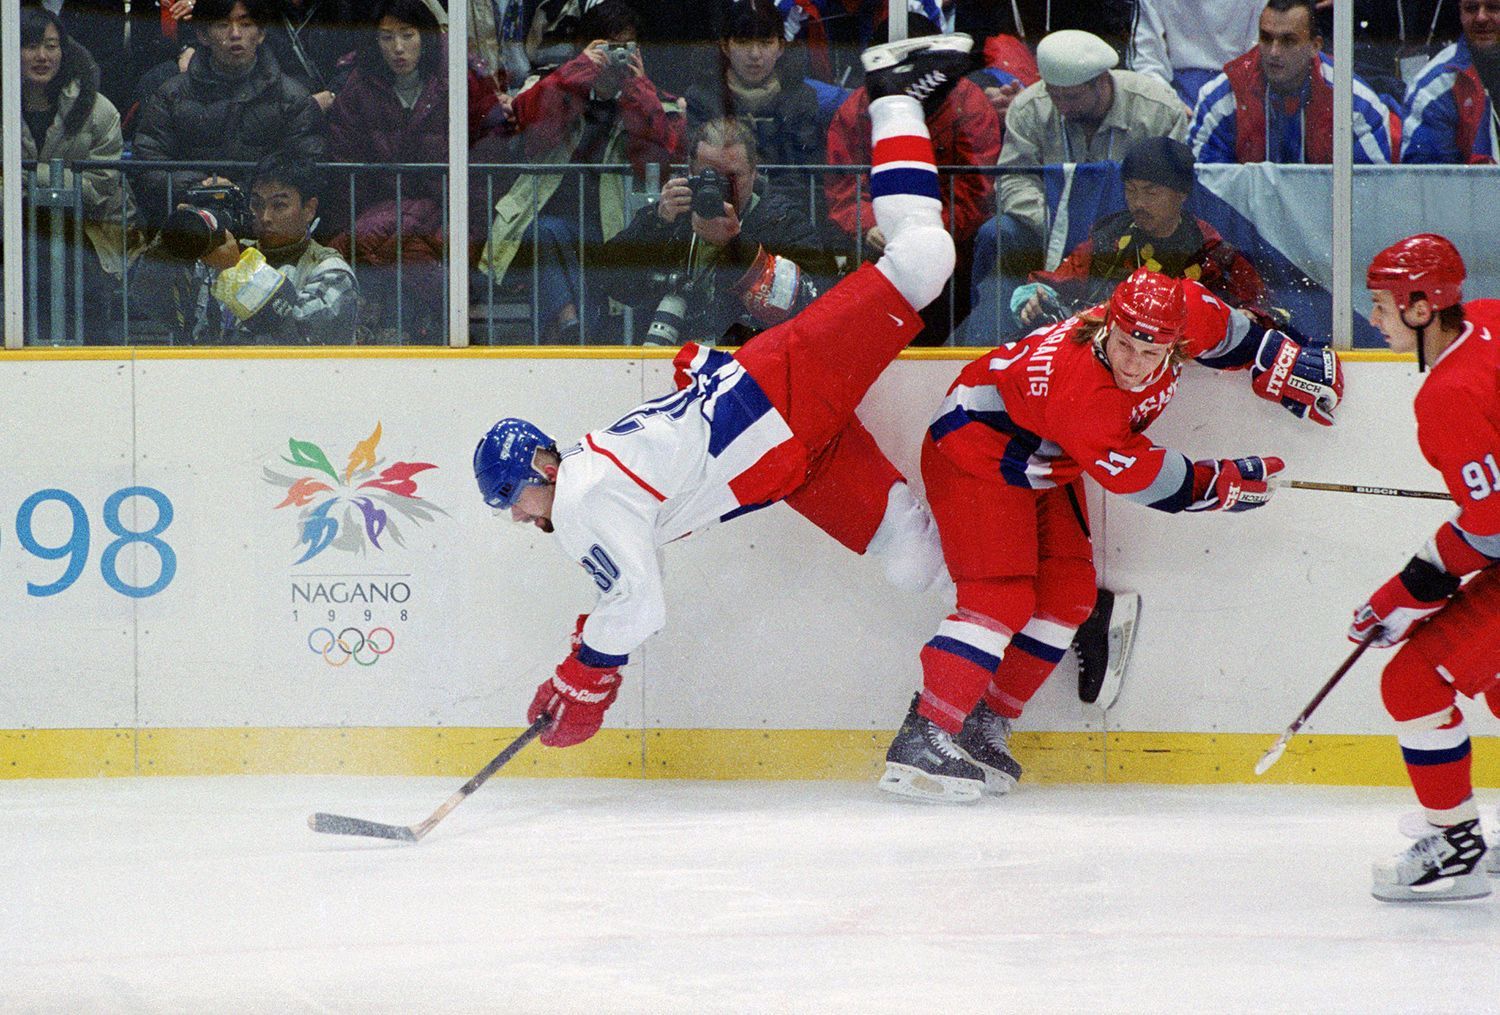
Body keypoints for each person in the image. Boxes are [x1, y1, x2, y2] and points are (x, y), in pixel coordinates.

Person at [472, 36, 973, 750]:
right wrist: (591, 652)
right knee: (913, 562)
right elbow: (632, 571)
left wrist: (583, 674)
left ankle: (892, 93)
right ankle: (1004, 594)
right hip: (787, 460)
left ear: (541, 471)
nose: (518, 519)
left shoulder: (580, 499)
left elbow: (641, 604)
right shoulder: (588, 474)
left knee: (923, 259)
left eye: (509, 501)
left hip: (775, 399)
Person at [879, 267, 1345, 803]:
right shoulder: (1083, 389)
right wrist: (1219, 483)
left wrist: (1273, 358)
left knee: (1069, 596)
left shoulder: (1181, 313)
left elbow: (1229, 331)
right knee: (999, 598)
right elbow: (1143, 478)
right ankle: (925, 731)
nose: (1133, 364)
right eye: (1124, 345)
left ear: (1174, 344)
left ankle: (985, 724)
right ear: (1108, 326)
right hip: (974, 450)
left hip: (1045, 458)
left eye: (1150, 355)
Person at [1356, 233, 1500, 902]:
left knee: (1412, 681)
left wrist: (1405, 592)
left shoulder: (1447, 393)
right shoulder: (1492, 318)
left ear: (1420, 309)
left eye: (1382, 306)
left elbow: (1492, 527)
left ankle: (1455, 847)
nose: (1373, 320)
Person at [476, 0, 684, 343]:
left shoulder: (655, 100)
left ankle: (569, 329)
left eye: (625, 46)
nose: (615, 56)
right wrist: (578, 73)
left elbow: (658, 161)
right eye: (605, 45)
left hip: (613, 226)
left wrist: (638, 88)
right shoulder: (555, 83)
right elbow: (531, 133)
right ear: (584, 47)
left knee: (564, 247)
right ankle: (576, 328)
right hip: (541, 220)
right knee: (549, 232)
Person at [971, 28, 1188, 346]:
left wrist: (1115, 229)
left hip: (1134, 232)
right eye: (1053, 94)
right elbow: (1013, 178)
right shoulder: (1029, 108)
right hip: (1046, 228)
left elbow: (1173, 188)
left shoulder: (1158, 110)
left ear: (1102, 80)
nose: (1061, 106)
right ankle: (985, 344)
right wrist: (1054, 221)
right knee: (998, 232)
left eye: (1071, 96)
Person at [826, 15, 999, 344]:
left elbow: (975, 193)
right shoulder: (853, 112)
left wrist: (922, 235)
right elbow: (843, 190)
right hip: (877, 255)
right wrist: (870, 225)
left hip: (955, 257)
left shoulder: (970, 105)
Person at [598, 116, 835, 346]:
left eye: (734, 176)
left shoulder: (783, 221)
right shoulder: (672, 215)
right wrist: (656, 224)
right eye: (710, 176)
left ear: (754, 172)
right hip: (670, 356)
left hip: (749, 361)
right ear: (690, 171)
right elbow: (609, 281)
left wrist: (735, 247)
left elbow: (810, 300)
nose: (724, 188)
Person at [1008, 135, 1268, 334]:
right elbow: (1055, 284)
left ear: (1181, 194)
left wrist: (1249, 316)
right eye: (1131, 190)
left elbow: (1263, 308)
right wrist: (1036, 299)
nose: (1138, 203)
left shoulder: (1213, 254)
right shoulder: (1108, 240)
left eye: (1150, 192)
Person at [131, 0, 325, 224]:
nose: (235, 34)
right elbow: (148, 167)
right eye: (223, 25)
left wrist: (236, 192)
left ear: (261, 34)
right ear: (203, 35)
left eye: (246, 24)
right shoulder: (170, 95)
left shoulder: (293, 99)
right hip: (189, 226)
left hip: (266, 228)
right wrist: (202, 187)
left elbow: (307, 170)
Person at [325, 0, 451, 344]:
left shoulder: (454, 79)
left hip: (445, 210)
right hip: (379, 209)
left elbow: (485, 147)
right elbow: (343, 157)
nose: (398, 48)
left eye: (407, 35)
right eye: (386, 38)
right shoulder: (359, 87)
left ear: (424, 36)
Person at [16, 6, 142, 343]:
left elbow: (98, 188)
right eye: (30, 46)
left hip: (90, 233)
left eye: (51, 45)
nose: (42, 56)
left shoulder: (98, 110)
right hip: (13, 236)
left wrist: (26, 179)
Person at [136, 152, 358, 344]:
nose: (265, 217)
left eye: (279, 205)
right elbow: (148, 300)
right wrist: (173, 242)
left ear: (309, 209)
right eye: (257, 204)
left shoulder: (332, 272)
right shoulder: (220, 253)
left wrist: (237, 271)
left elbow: (298, 333)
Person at [1188, 0, 1396, 164]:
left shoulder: (1355, 105)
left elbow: (1372, 200)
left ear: (1315, 46)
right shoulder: (1222, 98)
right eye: (1267, 38)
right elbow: (1201, 197)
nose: (1274, 52)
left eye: (1289, 41)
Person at [683, 0, 824, 205]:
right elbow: (702, 169)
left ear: (781, 47)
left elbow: (806, 176)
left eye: (766, 43)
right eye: (743, 42)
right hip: (720, 205)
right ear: (725, 46)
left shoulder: (802, 98)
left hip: (786, 212)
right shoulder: (702, 98)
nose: (755, 54)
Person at [1401, 0, 1500, 162]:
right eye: (1471, 8)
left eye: (1494, 7)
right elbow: (1429, 183)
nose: (1481, 17)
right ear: (1460, 13)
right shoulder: (1433, 88)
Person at [1129, 0, 1264, 105]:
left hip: (1235, 92)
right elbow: (1146, 59)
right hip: (1172, 91)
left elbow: (1259, 56)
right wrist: (1169, 104)